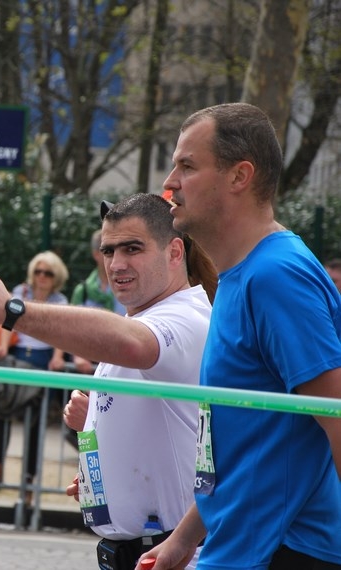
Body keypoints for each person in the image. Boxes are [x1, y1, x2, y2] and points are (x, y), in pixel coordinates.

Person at [0, 194, 217, 569]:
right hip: (137, 552)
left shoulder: (187, 318)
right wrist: (97, 434)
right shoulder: (147, 318)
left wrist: (14, 310)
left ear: (175, 252)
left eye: (133, 248)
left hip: (174, 555)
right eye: (108, 251)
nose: (116, 264)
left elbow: (131, 345)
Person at [140, 103, 341, 569]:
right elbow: (244, 444)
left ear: (239, 176)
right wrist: (184, 538)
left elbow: (336, 418)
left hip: (285, 552)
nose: (169, 182)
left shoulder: (276, 276)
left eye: (187, 166)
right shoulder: (241, 275)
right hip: (241, 550)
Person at [0, 251, 69, 497]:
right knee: (4, 410)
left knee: (34, 421)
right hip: (19, 353)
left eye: (48, 273)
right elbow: (6, 321)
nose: (42, 277)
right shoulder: (19, 293)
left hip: (42, 359)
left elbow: (62, 331)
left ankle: (29, 482)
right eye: (38, 271)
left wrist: (58, 356)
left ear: (56, 277)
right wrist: (2, 345)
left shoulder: (61, 301)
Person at [70, 229, 126, 374]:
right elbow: (73, 329)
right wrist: (78, 356)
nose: (116, 257)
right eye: (108, 251)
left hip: (124, 358)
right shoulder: (83, 291)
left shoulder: (130, 285)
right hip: (90, 362)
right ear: (96, 254)